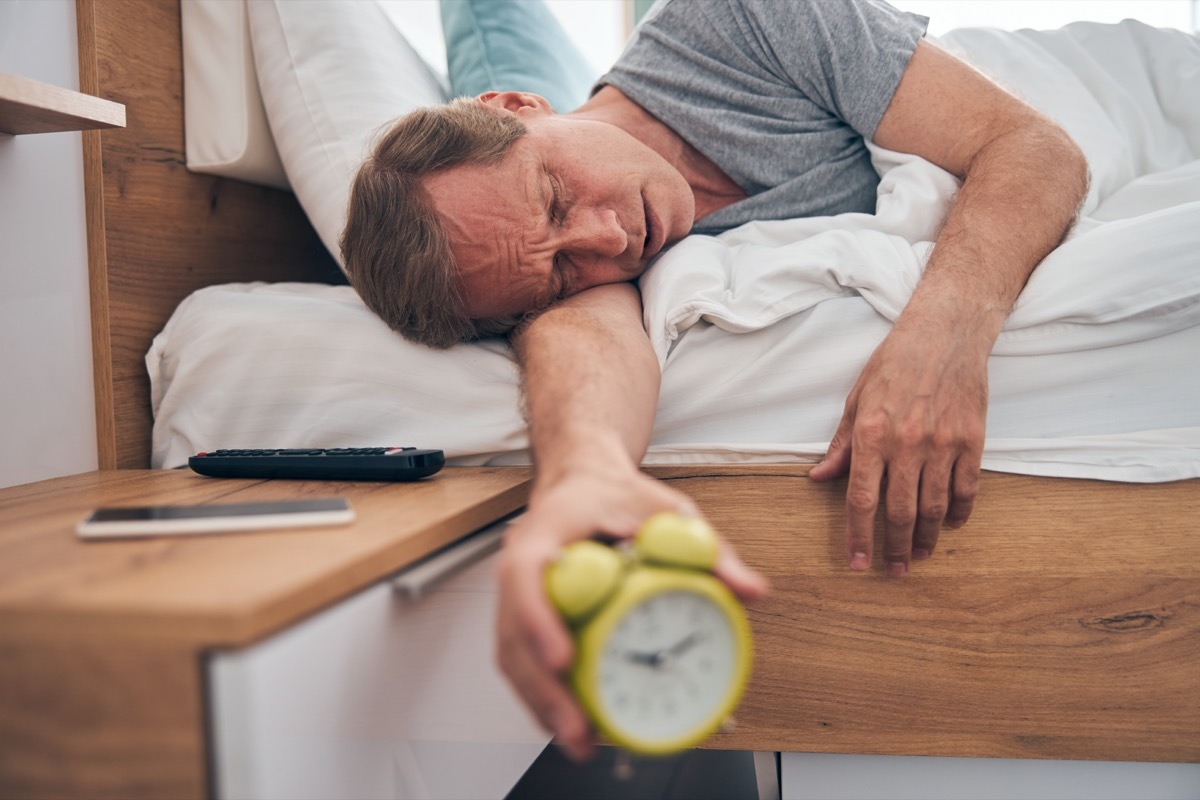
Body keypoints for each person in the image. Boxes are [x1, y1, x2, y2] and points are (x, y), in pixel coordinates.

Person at [341, 0, 1089, 761]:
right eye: (565, 270)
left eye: (555, 195)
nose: (608, 240)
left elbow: (1035, 144)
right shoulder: (543, 261)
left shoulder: (738, 21)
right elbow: (582, 341)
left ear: (517, 106)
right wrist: (582, 476)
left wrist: (942, 334)